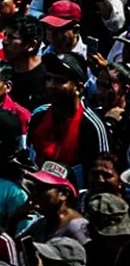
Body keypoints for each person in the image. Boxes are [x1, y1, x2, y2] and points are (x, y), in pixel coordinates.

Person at [28, 53, 109, 181]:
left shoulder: (92, 126)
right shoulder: (38, 115)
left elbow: (101, 176)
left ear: (79, 88)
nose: (51, 85)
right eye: (49, 79)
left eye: (60, 81)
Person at [3, 15, 48, 110]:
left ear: (31, 44)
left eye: (11, 37)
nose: (4, 41)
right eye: (5, 35)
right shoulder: (4, 71)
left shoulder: (48, 76)